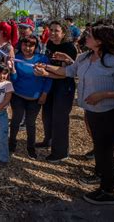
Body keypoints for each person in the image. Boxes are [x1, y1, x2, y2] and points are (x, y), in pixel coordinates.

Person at [34, 25, 114, 205]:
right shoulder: (85, 57)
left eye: (89, 35)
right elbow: (67, 71)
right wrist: (46, 68)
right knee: (100, 148)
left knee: (104, 150)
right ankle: (100, 174)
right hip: (95, 112)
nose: (85, 37)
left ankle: (107, 192)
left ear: (100, 41)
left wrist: (104, 95)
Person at [36, 20, 77, 163]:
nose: (52, 33)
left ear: (64, 33)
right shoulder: (50, 44)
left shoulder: (69, 48)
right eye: (51, 30)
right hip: (50, 84)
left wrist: (46, 69)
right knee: (47, 115)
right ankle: (48, 140)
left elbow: (66, 73)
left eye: (56, 31)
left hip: (64, 86)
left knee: (60, 119)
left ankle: (60, 152)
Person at [8, 36, 52, 159]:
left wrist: (44, 94)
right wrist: (12, 70)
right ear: (21, 45)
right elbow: (15, 80)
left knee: (30, 123)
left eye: (31, 45)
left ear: (35, 46)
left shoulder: (42, 59)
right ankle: (11, 145)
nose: (27, 48)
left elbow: (48, 79)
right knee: (16, 121)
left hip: (35, 98)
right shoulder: (16, 59)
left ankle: (30, 148)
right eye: (25, 45)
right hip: (18, 96)